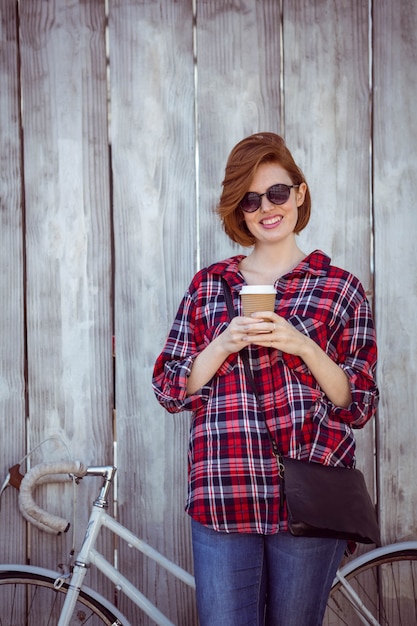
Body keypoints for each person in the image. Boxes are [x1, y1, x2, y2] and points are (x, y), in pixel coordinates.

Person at [152, 132, 379, 625]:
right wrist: (223, 342)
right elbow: (169, 388)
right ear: (239, 208)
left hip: (310, 495)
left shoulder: (340, 288)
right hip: (223, 491)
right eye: (251, 199)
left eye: (277, 192)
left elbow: (357, 402)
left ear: (299, 193)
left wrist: (301, 345)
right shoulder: (209, 285)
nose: (266, 208)